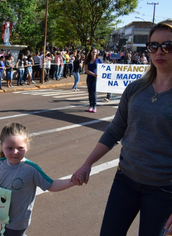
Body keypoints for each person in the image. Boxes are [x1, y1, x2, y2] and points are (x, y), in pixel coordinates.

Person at [71, 21, 172, 236]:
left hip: (164, 190)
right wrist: (87, 164)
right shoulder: (136, 88)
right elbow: (116, 129)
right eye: (153, 46)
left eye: (168, 46)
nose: (159, 52)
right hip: (125, 180)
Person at [0, 122, 78, 236]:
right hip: (2, 216)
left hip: (17, 223)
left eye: (20, 148)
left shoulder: (31, 170)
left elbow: (51, 185)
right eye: (10, 148)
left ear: (27, 146)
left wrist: (71, 182)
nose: (15, 152)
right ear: (1, 146)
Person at [84, 48, 103, 113]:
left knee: (94, 92)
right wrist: (92, 74)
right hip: (89, 77)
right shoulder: (88, 60)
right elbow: (86, 70)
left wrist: (98, 74)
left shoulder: (99, 60)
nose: (94, 53)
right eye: (93, 52)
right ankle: (90, 106)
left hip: (96, 78)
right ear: (90, 53)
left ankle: (94, 106)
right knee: (90, 92)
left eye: (95, 52)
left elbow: (103, 68)